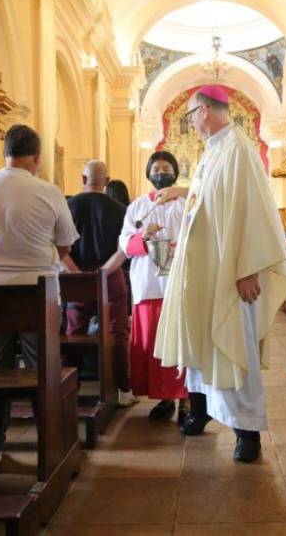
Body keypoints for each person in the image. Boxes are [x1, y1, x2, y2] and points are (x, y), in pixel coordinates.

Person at [154, 85, 286, 462]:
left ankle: (248, 431)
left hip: (231, 273)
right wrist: (185, 191)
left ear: (207, 110)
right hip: (204, 271)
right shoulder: (213, 153)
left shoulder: (239, 151)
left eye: (192, 114)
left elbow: (251, 212)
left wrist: (247, 268)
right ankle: (203, 412)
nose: (192, 123)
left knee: (235, 346)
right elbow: (212, 204)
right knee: (205, 345)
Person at [0, 124, 78, 472]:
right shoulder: (48, 191)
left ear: (5, 153)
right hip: (38, 293)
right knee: (41, 368)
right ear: (36, 157)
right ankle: (49, 442)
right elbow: (64, 246)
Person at [111, 151, 188, 422]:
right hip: (149, 284)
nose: (161, 172)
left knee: (181, 343)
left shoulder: (187, 203)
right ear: (148, 173)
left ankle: (187, 401)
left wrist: (175, 248)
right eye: (156, 168)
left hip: (180, 283)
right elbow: (125, 244)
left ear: (175, 172)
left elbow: (201, 235)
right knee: (155, 345)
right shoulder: (137, 207)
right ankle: (166, 399)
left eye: (167, 167)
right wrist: (145, 237)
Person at [64, 160, 130, 398]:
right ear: (107, 182)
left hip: (77, 277)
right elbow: (124, 248)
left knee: (74, 332)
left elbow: (59, 248)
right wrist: (105, 271)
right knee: (118, 333)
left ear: (83, 179)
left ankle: (71, 385)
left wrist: (76, 274)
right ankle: (122, 387)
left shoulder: (68, 206)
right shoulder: (120, 209)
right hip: (110, 276)